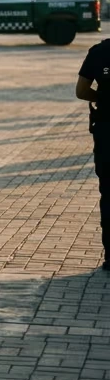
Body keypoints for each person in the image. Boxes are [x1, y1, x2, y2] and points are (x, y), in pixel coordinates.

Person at [75, 37, 110, 271]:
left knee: (108, 194)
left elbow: (81, 90)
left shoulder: (99, 51)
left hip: (107, 132)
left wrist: (104, 98)